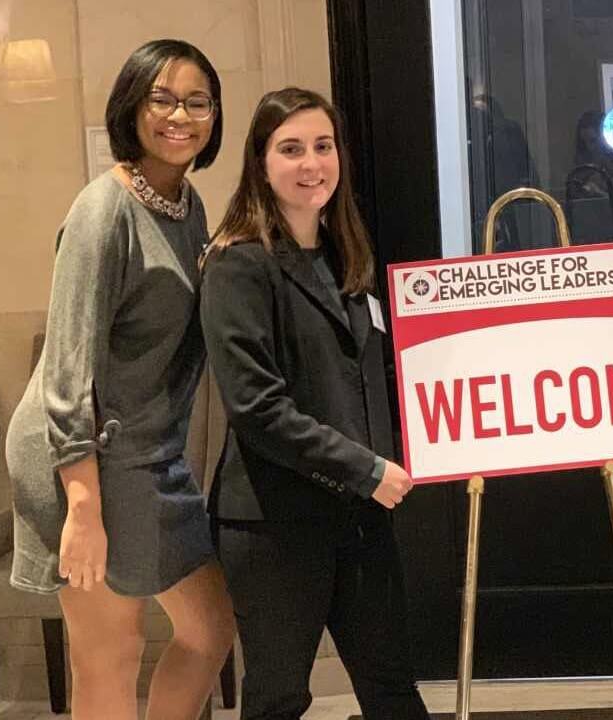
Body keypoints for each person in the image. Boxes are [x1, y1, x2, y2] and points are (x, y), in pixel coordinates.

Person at [6, 39, 234, 719]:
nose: (180, 116)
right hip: (86, 459)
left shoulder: (185, 204)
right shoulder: (101, 211)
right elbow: (67, 369)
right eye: (162, 98)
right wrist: (83, 509)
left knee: (210, 625)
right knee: (108, 655)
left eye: (197, 101)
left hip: (148, 456)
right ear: (131, 106)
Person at [200, 87, 429, 720]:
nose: (311, 164)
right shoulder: (237, 265)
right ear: (261, 162)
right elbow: (257, 408)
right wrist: (366, 469)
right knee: (277, 700)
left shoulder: (345, 253)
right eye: (291, 149)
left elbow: (369, 378)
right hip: (275, 526)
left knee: (392, 691)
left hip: (358, 519)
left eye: (322, 147)